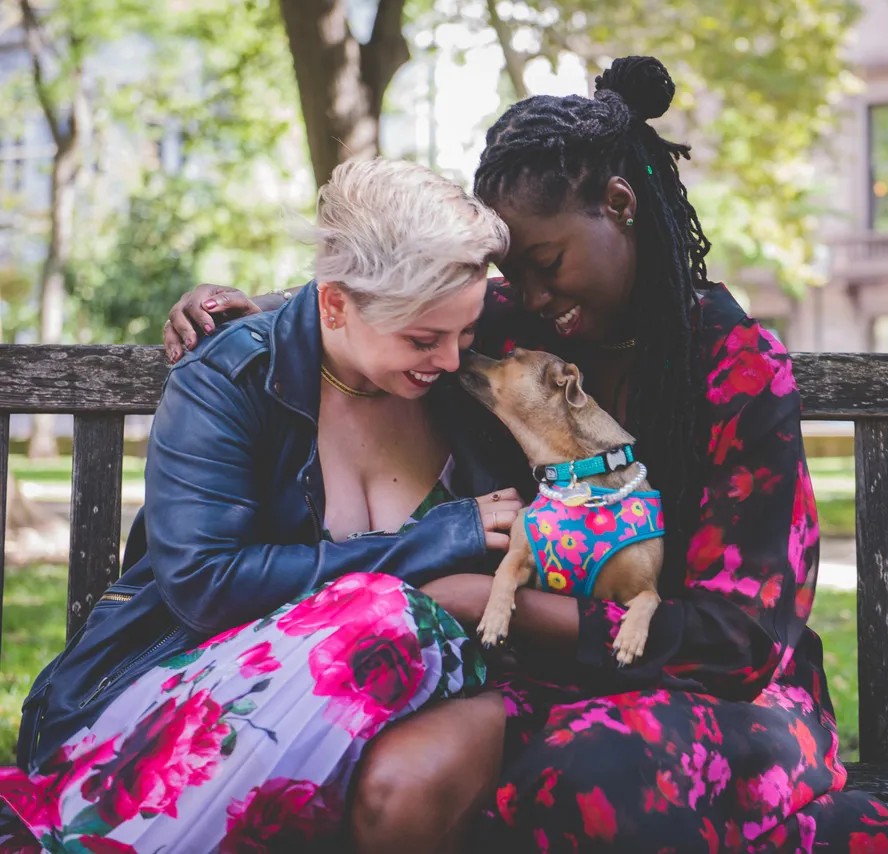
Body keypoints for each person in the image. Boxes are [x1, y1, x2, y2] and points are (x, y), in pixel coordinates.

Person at [164, 57, 888, 852]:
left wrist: (489, 600)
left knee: (591, 777)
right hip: (551, 689)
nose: (527, 297)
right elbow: (382, 302)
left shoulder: (736, 369)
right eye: (510, 276)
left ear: (621, 205)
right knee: (441, 780)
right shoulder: (509, 331)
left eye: (546, 264)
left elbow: (740, 641)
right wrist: (255, 309)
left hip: (728, 695)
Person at [0, 159, 527, 851]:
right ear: (335, 304)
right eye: (423, 339)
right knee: (383, 611)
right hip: (169, 701)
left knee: (398, 644)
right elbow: (205, 584)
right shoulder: (235, 373)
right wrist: (434, 547)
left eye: (465, 332)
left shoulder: (462, 382)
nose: (456, 360)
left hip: (390, 711)